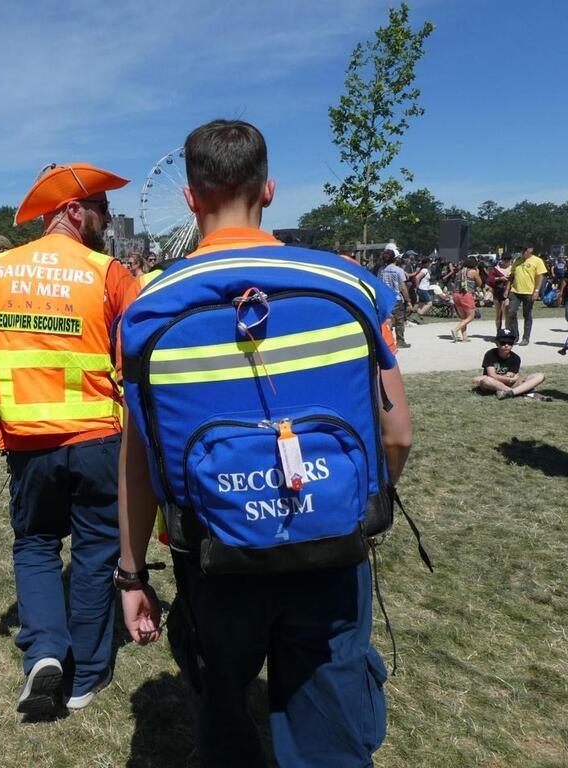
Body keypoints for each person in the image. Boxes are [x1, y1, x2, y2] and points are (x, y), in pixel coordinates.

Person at [117, 119, 412, 768]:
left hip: (213, 556)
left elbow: (138, 464)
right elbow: (397, 432)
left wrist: (132, 571)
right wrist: (358, 511)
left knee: (222, 716)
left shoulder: (145, 306)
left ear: (190, 198)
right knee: (330, 730)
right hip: (332, 548)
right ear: (270, 190)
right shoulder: (351, 286)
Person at [0, 162, 138, 716]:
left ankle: (45, 655)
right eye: (103, 210)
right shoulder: (110, 274)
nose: (108, 220)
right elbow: (133, 367)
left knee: (35, 545)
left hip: (28, 442)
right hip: (98, 438)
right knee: (95, 550)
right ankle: (87, 675)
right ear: (74, 210)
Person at [472, 328, 547, 399]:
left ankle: (509, 392)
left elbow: (513, 375)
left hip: (507, 383)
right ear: (496, 343)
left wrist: (510, 379)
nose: (506, 345)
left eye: (510, 343)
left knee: (540, 376)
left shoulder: (516, 358)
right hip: (492, 385)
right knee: (486, 380)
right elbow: (492, 375)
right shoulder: (490, 354)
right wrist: (509, 379)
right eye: (503, 343)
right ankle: (518, 392)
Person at [506, 244, 547, 345]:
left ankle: (526, 338)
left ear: (531, 250)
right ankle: (515, 336)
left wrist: (536, 291)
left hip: (529, 292)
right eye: (521, 250)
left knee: (527, 314)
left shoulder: (537, 261)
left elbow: (540, 276)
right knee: (511, 313)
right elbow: (512, 276)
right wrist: (507, 289)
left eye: (525, 250)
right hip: (515, 291)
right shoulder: (517, 261)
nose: (523, 252)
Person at [377, 249, 412, 348]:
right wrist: (408, 301)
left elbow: (379, 285)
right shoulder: (399, 270)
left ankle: (387, 341)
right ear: (395, 259)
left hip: (384, 299)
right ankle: (400, 341)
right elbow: (403, 286)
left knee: (386, 320)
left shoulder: (381, 270)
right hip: (396, 298)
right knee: (399, 321)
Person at [450, 256, 482, 342]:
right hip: (466, 295)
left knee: (464, 318)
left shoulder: (460, 272)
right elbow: (479, 283)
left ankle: (464, 337)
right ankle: (456, 329)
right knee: (471, 317)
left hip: (456, 295)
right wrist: (477, 272)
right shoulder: (473, 272)